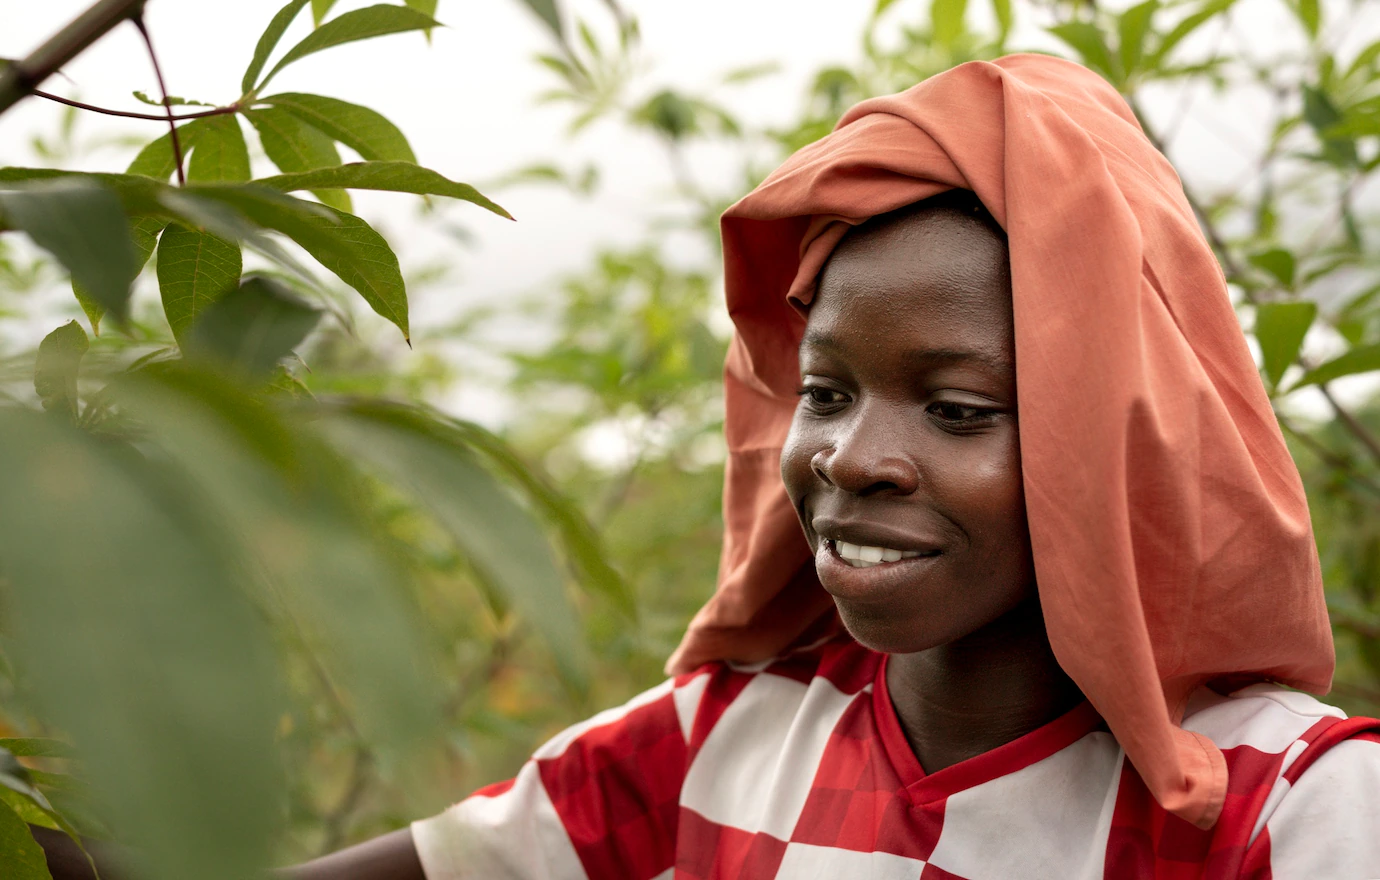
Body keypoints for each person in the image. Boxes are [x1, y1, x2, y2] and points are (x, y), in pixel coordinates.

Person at [43, 53, 1380, 880]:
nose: (855, 460)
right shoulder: (715, 744)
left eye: (959, 409)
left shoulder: (1298, 813)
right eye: (827, 391)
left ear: (1122, 444)